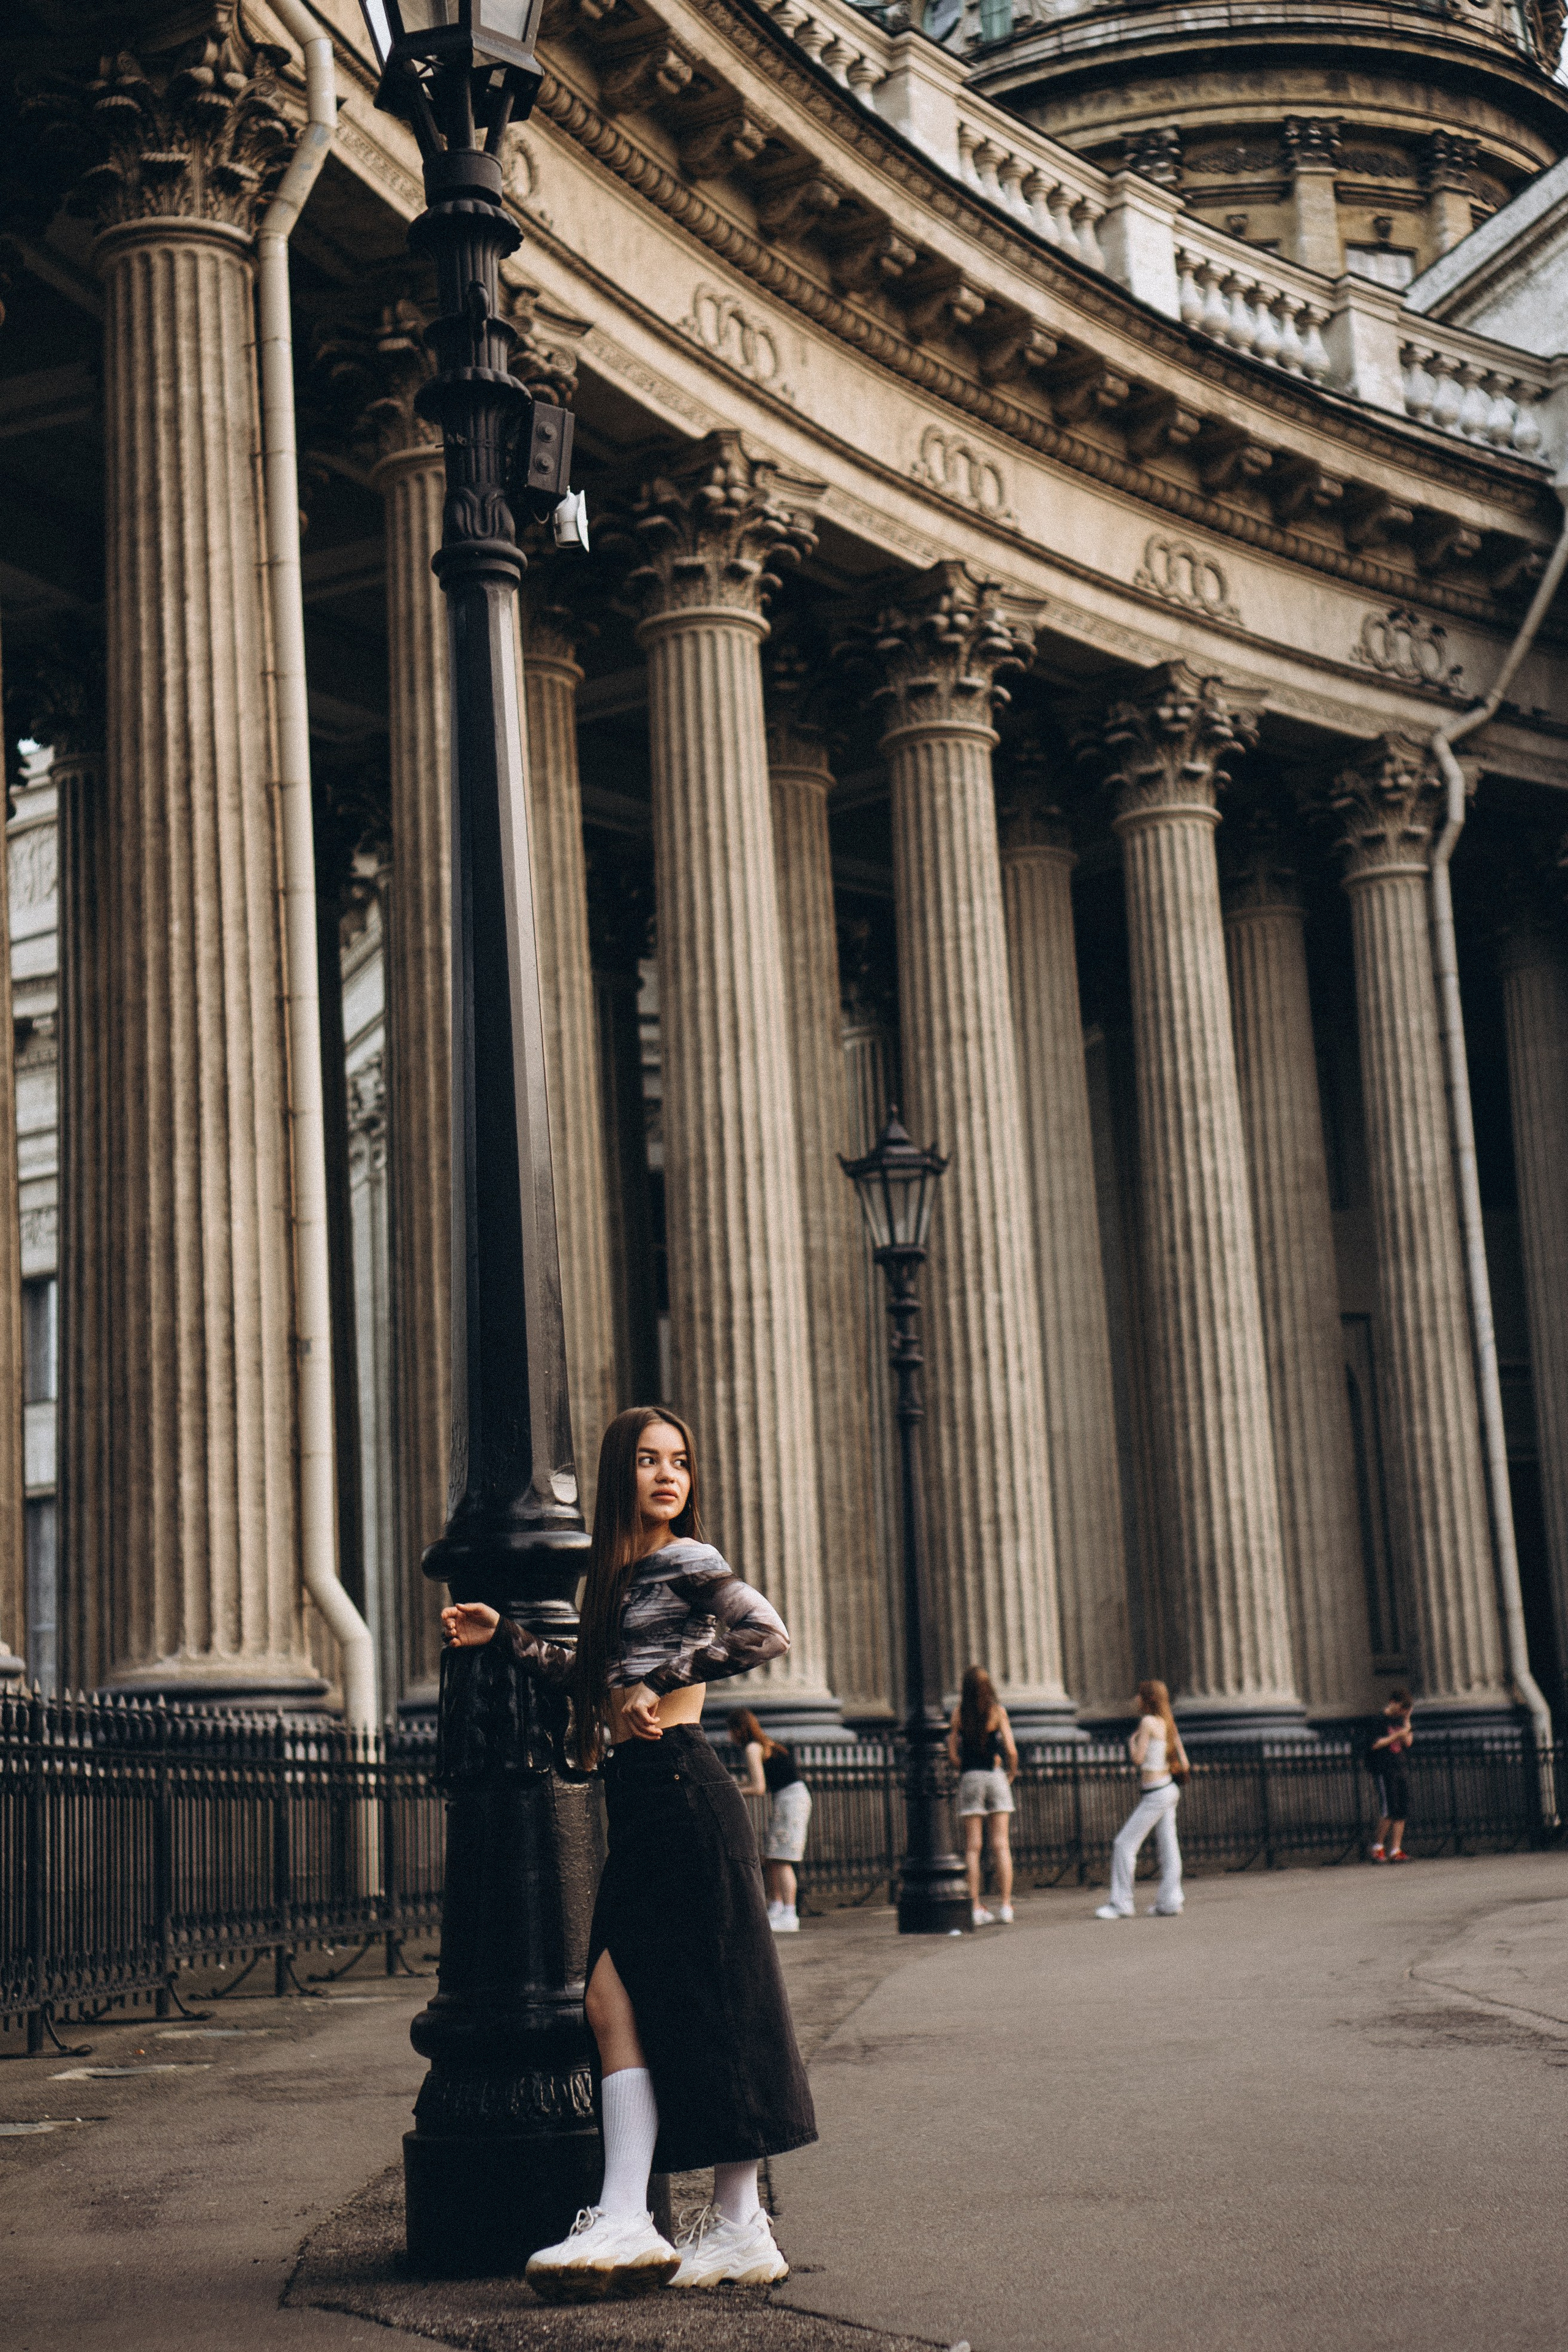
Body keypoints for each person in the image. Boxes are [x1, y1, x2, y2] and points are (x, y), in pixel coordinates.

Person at [440, 1406, 816, 2303]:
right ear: (622, 1474)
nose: (668, 1475)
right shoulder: (618, 1579)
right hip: (646, 1796)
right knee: (615, 2000)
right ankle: (649, 2218)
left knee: (710, 1999)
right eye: (649, 1460)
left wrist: (665, 1678)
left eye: (679, 1461)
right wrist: (507, 1637)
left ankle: (714, 2221)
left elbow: (766, 1633)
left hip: (684, 1787)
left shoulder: (687, 1559)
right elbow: (592, 1683)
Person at [1095, 1679, 1189, 1920]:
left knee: (1124, 1844)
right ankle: (1170, 1901)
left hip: (1155, 1793)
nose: (1136, 1699)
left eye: (1139, 1694)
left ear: (1148, 1699)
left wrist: (1132, 1743)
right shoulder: (1168, 1723)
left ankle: (1121, 1904)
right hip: (1169, 1789)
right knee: (1169, 1847)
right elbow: (1185, 1763)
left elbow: (1138, 1759)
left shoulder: (1147, 1722)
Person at [946, 1665, 1019, 1925]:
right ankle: (1006, 1906)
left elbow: (952, 1752)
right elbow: (1011, 1750)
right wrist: (1010, 1773)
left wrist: (964, 1766)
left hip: (971, 1778)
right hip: (994, 1776)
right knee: (1001, 1845)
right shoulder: (997, 1712)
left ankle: (976, 1906)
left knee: (973, 1847)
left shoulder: (959, 1714)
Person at [729, 1709, 812, 1933]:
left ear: (738, 1729)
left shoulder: (752, 1748)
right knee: (773, 1857)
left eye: (730, 1730)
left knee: (782, 1858)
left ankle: (789, 1914)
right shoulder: (766, 1744)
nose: (729, 1736)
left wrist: (731, 1791)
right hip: (792, 1798)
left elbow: (758, 1787)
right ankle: (776, 1908)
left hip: (790, 1800)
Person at [1368, 1689, 1414, 1863]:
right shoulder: (1379, 1720)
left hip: (1400, 1767)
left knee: (1401, 1809)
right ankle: (1378, 1847)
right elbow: (1375, 1744)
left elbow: (1408, 1742)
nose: (1401, 1712)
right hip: (1384, 1768)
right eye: (1401, 1708)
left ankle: (1396, 1849)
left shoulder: (1400, 1720)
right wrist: (1396, 1736)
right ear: (1393, 1702)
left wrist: (1407, 1720)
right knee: (1388, 1809)